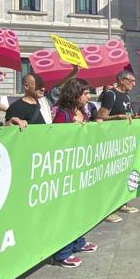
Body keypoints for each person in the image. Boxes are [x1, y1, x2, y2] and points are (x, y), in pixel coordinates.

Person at [51, 78, 98, 268]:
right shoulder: (63, 114)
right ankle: (63, 253)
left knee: (79, 207)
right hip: (66, 169)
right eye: (85, 93)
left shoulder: (82, 112)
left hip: (81, 165)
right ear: (75, 94)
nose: (88, 97)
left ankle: (78, 242)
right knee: (67, 209)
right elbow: (57, 139)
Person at [97, 69, 138, 221]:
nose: (134, 84)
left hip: (124, 142)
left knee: (121, 174)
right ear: (122, 80)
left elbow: (129, 114)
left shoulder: (126, 96)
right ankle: (107, 210)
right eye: (131, 81)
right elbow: (101, 116)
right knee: (110, 176)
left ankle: (121, 203)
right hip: (111, 142)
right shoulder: (111, 94)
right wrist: (118, 117)